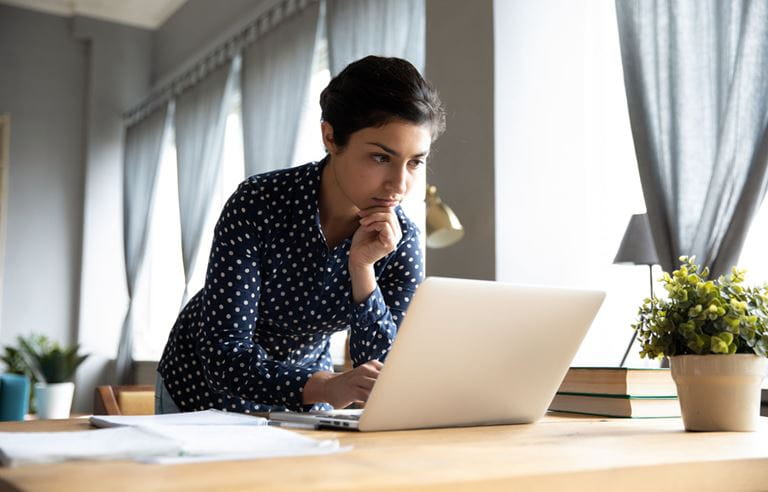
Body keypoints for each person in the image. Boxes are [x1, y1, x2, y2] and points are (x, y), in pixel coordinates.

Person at [156, 55, 446, 414]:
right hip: (202, 389)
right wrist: (323, 385)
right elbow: (224, 355)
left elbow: (384, 370)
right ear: (330, 137)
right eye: (380, 158)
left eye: (415, 162)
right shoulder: (258, 203)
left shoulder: (400, 241)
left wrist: (362, 270)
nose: (399, 185)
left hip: (311, 391)